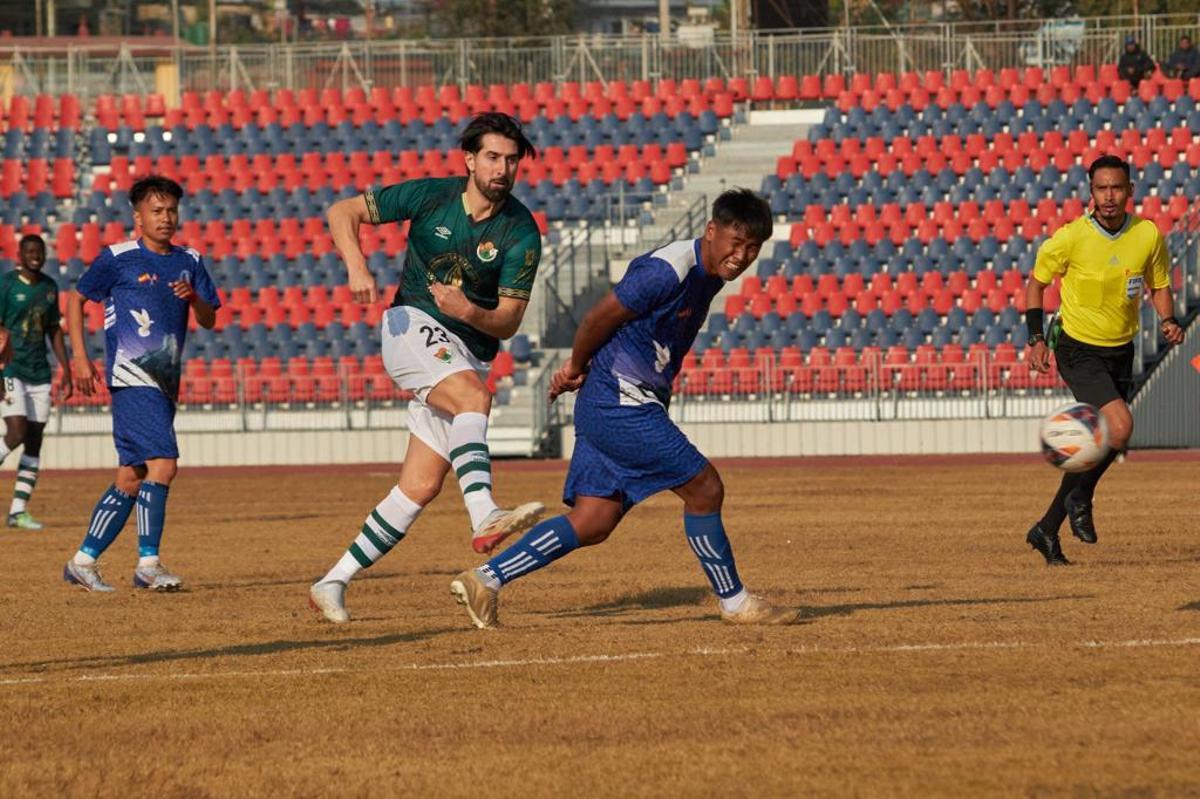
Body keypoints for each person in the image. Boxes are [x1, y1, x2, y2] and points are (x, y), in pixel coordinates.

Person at [449, 189, 799, 628]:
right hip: (620, 401)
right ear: (711, 231)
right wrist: (575, 366)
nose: (742, 255)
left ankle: (486, 580)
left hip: (613, 399)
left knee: (594, 520)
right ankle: (735, 602)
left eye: (753, 248)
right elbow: (598, 317)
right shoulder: (666, 270)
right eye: (736, 241)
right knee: (705, 488)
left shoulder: (710, 274)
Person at [309, 112, 546, 623]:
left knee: (418, 487)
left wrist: (469, 312)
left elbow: (507, 321)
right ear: (469, 159)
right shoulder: (430, 196)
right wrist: (355, 263)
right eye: (492, 157)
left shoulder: (522, 232)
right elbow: (342, 210)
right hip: (410, 326)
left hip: (467, 353)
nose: (502, 168)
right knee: (474, 400)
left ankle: (331, 581)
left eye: (511, 159)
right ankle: (485, 515)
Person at [1024, 155, 1183, 566]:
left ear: (1130, 190)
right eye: (1101, 188)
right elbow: (1036, 284)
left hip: (1120, 349)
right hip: (1077, 348)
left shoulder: (1147, 235)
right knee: (1121, 426)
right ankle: (1083, 495)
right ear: (1090, 192)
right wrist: (1036, 338)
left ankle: (1046, 528)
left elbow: (1159, 284)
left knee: (1102, 442)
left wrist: (1167, 318)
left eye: (1117, 188)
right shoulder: (1071, 238)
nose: (1109, 196)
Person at [64, 176, 220, 592]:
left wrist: (195, 299)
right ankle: (148, 564)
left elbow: (209, 318)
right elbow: (77, 298)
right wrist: (80, 357)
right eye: (157, 211)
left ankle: (83, 561)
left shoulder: (190, 259)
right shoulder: (118, 258)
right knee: (164, 465)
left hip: (165, 381)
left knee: (131, 478)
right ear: (138, 217)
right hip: (132, 377)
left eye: (171, 210)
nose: (166, 218)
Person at [0, 234, 73, 529]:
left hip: (39, 372)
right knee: (16, 431)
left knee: (34, 439)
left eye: (39, 252)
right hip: (10, 368)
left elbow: (53, 329)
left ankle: (18, 511)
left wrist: (65, 369)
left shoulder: (49, 287)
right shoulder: (6, 284)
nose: (35, 256)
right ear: (19, 254)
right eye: (29, 251)